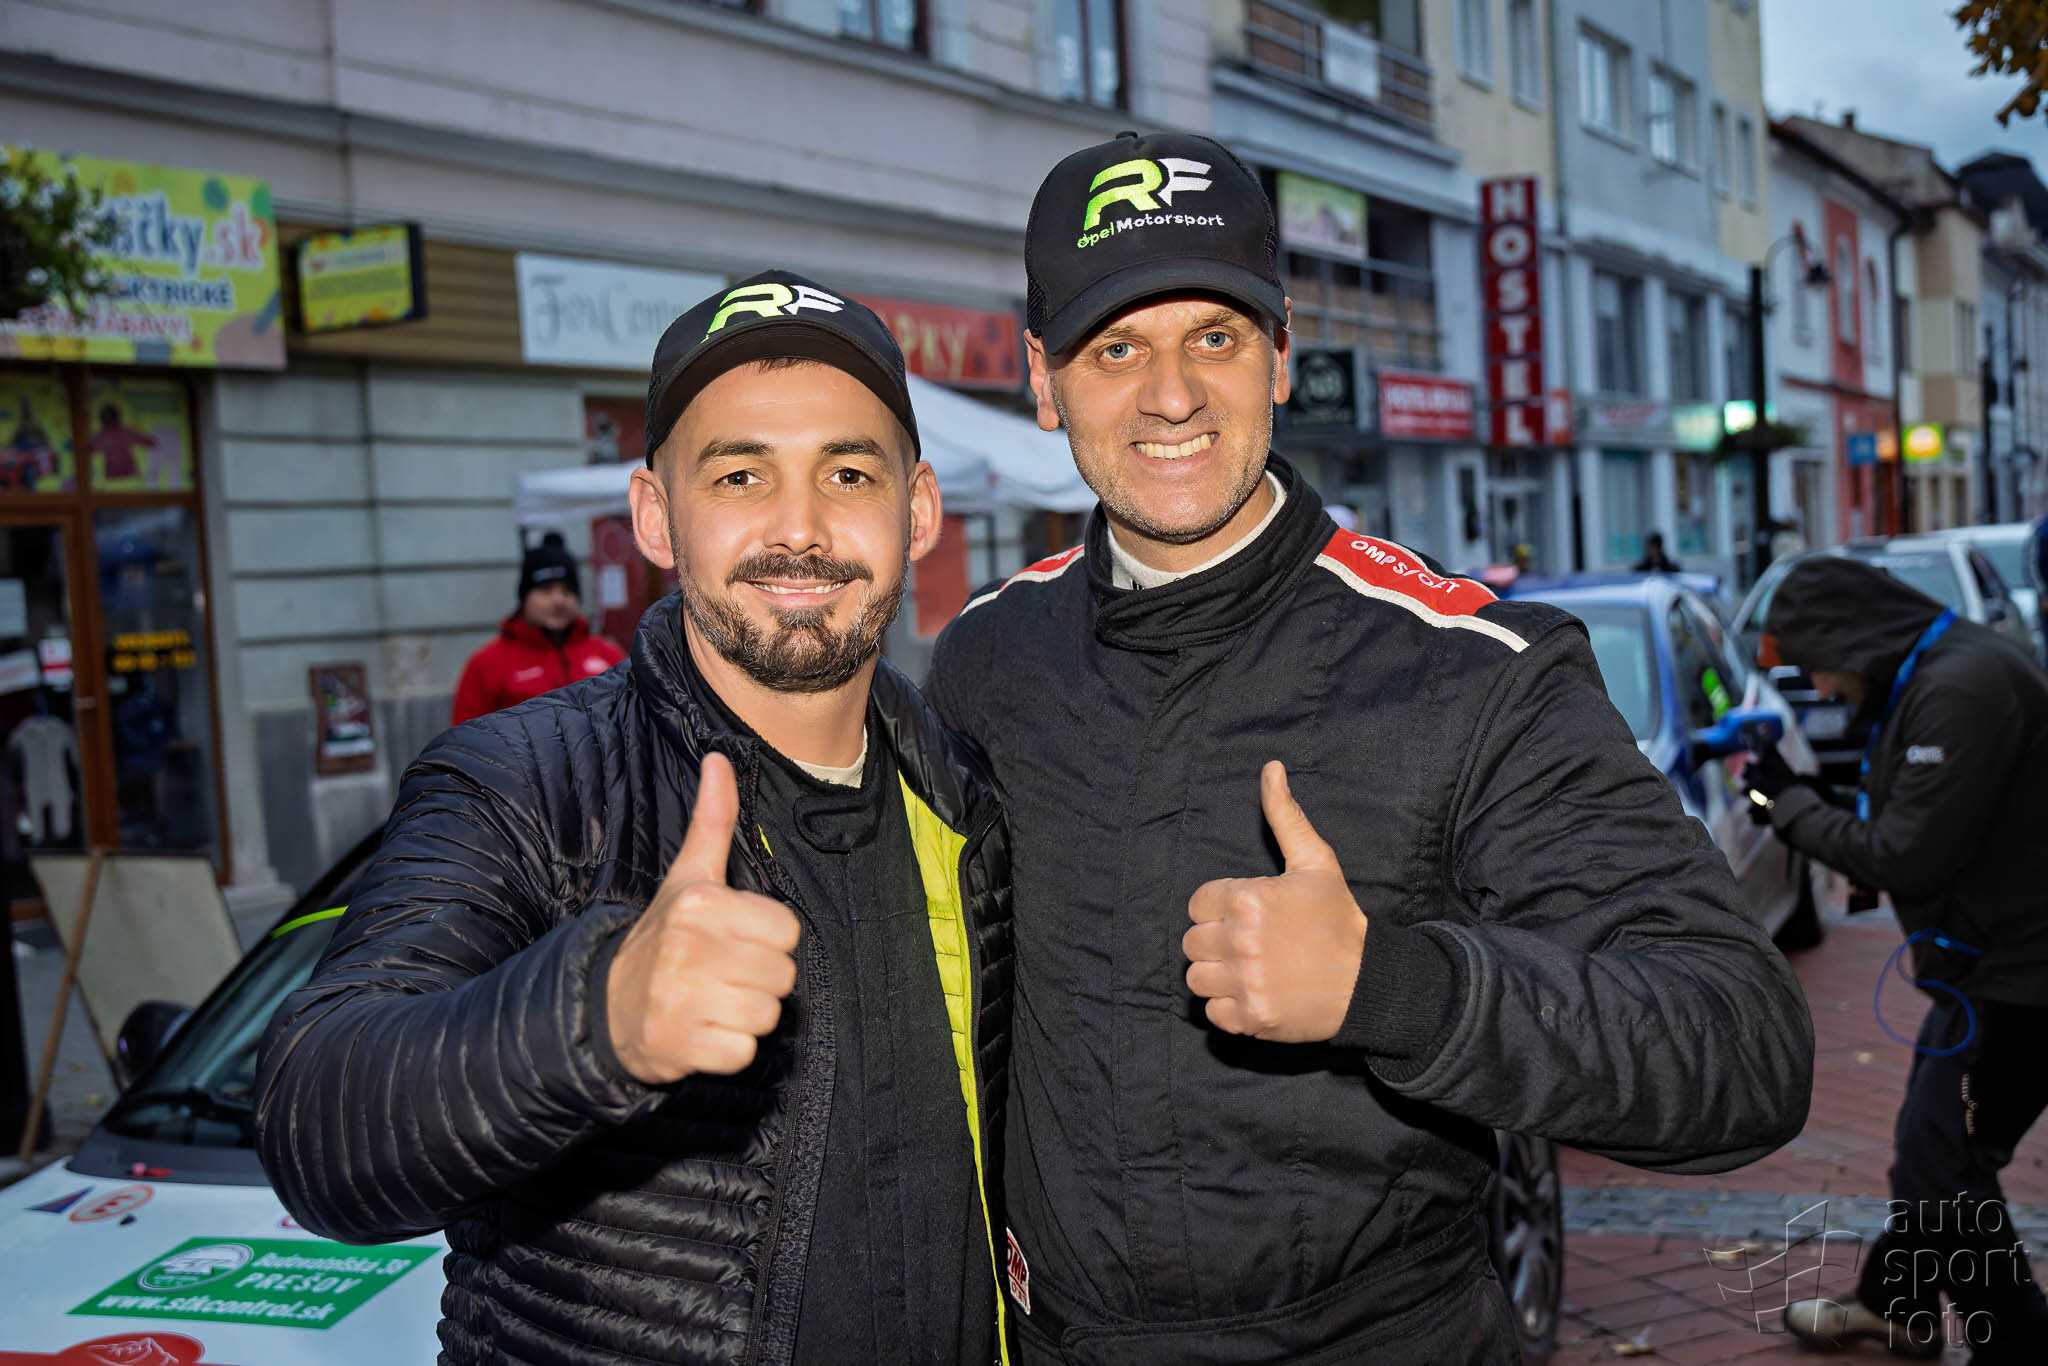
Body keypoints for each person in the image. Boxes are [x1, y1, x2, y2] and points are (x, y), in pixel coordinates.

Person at [924, 129, 1814, 1363]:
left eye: (1214, 338)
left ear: (1281, 355)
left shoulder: (1470, 669)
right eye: (1114, 347)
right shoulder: (984, 658)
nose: (1170, 395)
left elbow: (1744, 1047)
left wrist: (1392, 988)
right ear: (1041, 378)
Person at [256, 271, 1014, 1366]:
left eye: (848, 472)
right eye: (740, 474)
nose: (799, 529)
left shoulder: (971, 799)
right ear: (656, 515)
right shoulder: (525, 784)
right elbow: (313, 1118)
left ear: (920, 510)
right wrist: (592, 1017)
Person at [1742, 557, 2048, 1363]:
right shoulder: (1943, 674)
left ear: (1848, 639)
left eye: (1814, 667)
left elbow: (1906, 855)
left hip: (2019, 976)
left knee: (1942, 1170)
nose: (1819, 687)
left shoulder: (1961, 688)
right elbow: (1924, 813)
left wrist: (1792, 808)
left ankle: (2019, 1345)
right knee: (1936, 1147)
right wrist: (1812, 799)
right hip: (1989, 969)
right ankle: (1897, 1304)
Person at [448, 531, 625, 724]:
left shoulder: (608, 655)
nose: (558, 600)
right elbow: (464, 736)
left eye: (567, 591)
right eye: (546, 590)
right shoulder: (486, 665)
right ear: (525, 598)